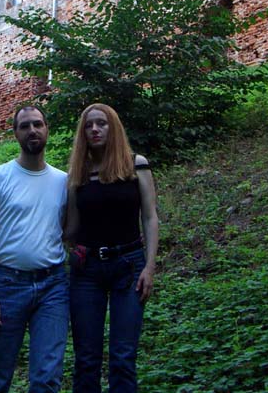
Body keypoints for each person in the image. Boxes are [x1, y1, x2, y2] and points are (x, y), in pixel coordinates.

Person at [0, 105, 69, 393]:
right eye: (24, 126)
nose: (32, 131)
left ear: (47, 128)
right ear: (15, 133)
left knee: (47, 378)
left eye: (38, 124)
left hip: (54, 287)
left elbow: (69, 232)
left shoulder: (63, 181)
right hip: (8, 285)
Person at [65, 103, 160, 393]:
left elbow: (150, 216)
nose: (94, 129)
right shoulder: (78, 175)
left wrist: (149, 266)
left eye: (101, 123)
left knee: (122, 356)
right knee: (86, 359)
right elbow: (71, 228)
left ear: (113, 127)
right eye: (89, 125)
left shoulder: (135, 164)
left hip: (128, 266)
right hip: (86, 271)